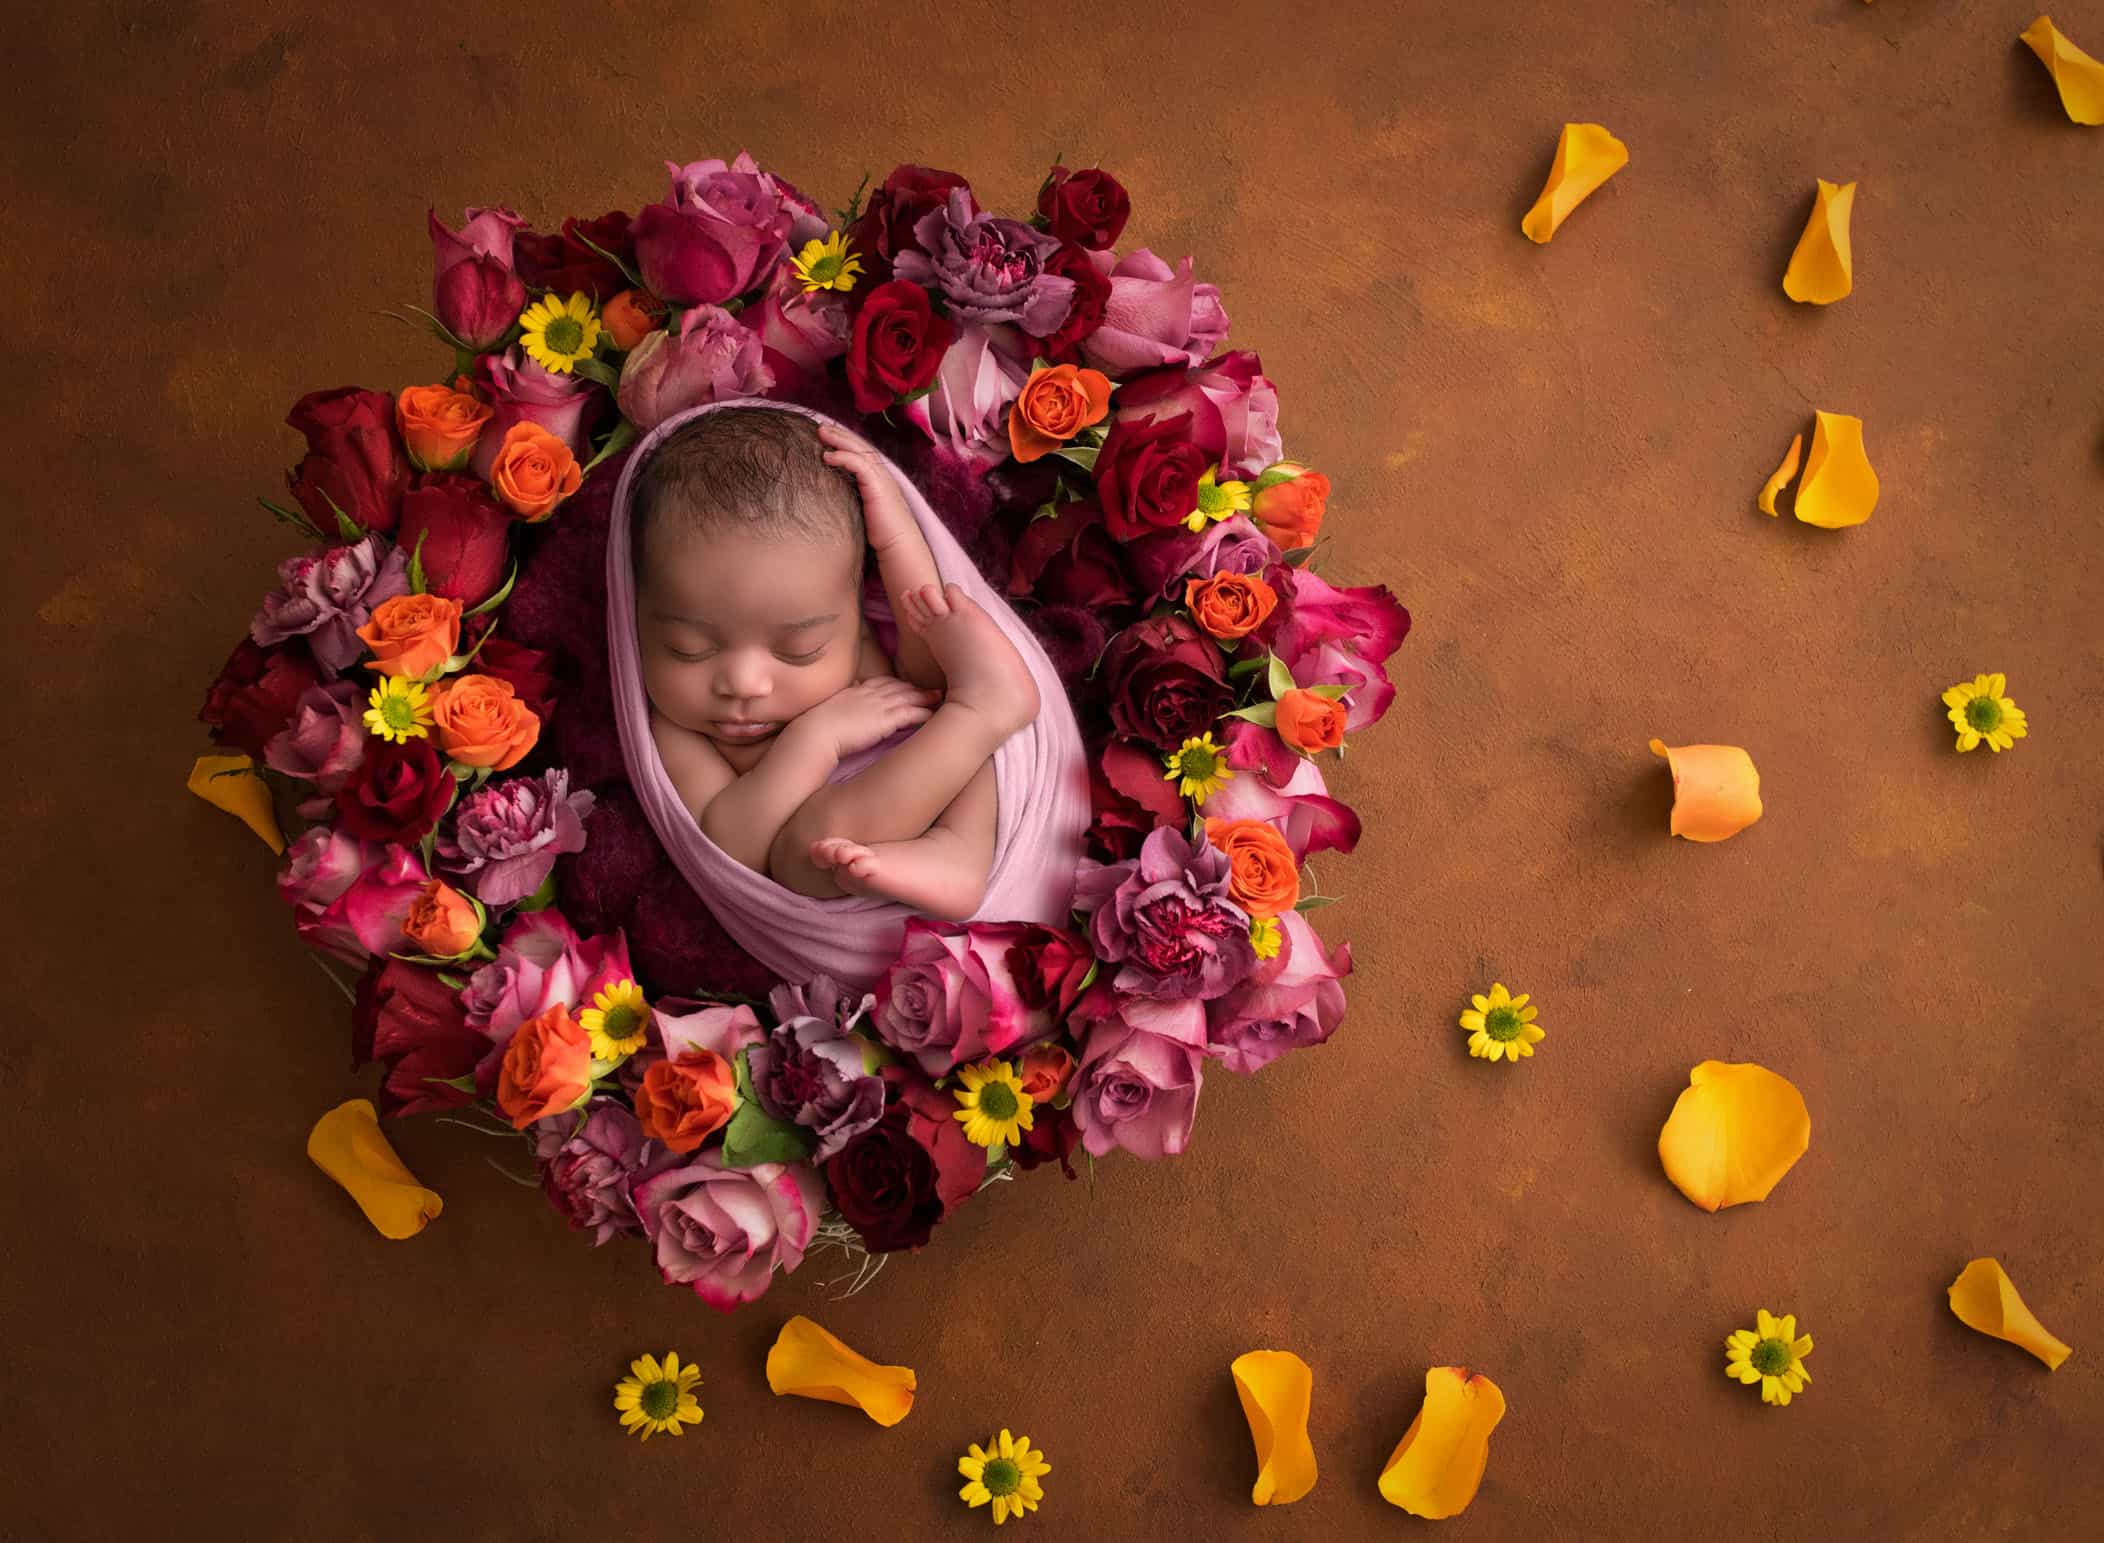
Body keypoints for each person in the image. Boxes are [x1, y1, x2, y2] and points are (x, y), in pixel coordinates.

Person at [629, 405, 1040, 922]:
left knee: (939, 676)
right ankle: (977, 732)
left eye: (798, 651)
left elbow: (924, 628)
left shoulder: (855, 643)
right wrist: (817, 739)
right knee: (800, 853)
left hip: (955, 787)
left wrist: (895, 536)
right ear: (634, 613)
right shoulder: (680, 729)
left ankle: (961, 842)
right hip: (845, 851)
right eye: (688, 648)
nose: (744, 683)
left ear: (851, 619)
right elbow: (733, 846)